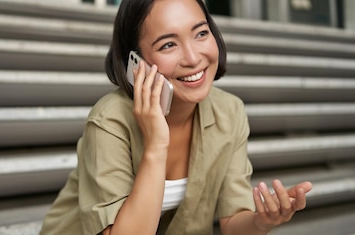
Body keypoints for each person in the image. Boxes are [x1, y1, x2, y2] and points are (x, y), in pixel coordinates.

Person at [39, 0, 313, 234]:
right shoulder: (110, 120)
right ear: (136, 62)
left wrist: (261, 221)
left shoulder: (229, 111)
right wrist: (157, 145)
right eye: (169, 44)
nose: (193, 58)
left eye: (201, 33)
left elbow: (232, 222)